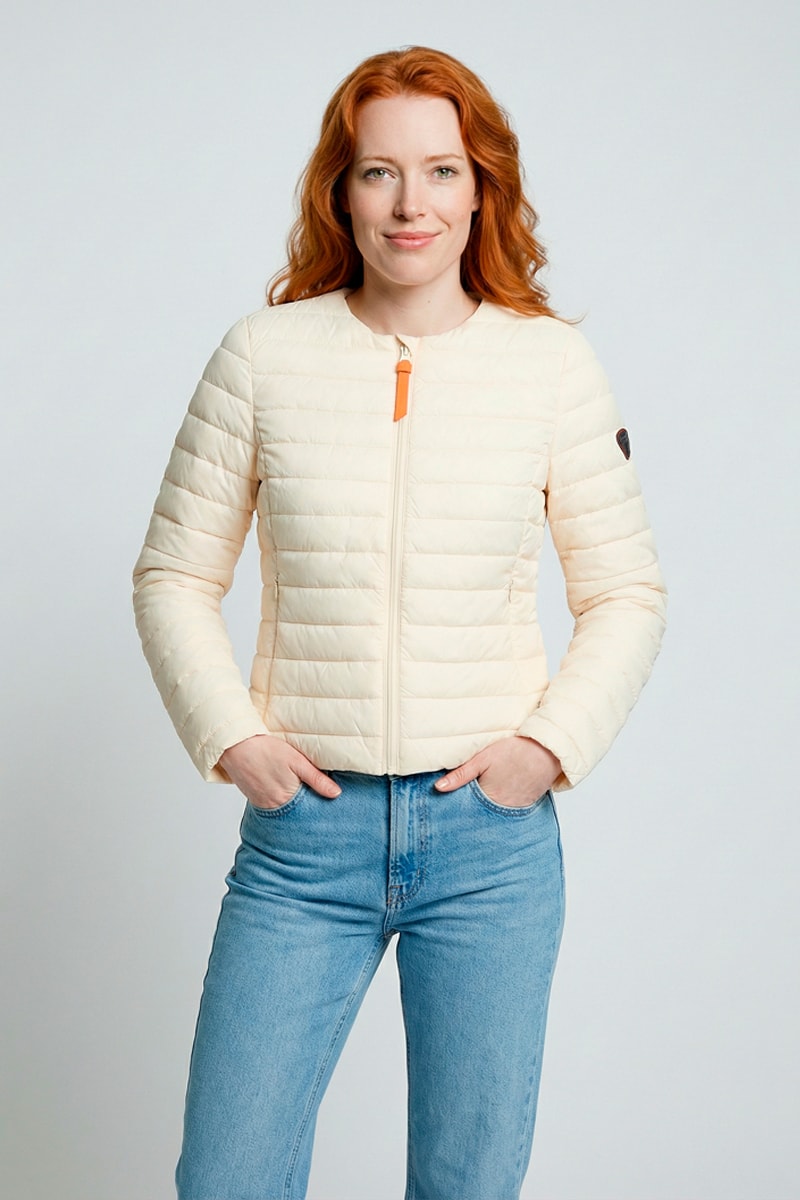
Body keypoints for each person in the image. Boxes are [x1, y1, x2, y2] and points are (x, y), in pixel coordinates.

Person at [133, 45, 666, 1200]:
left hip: (487, 846)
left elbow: (625, 592)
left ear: (480, 189)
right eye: (378, 172)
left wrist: (544, 749)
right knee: (226, 1177)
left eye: (439, 170)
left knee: (465, 1184)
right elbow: (172, 572)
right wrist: (234, 737)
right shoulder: (262, 358)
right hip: (305, 840)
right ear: (341, 191)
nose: (408, 203)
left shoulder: (549, 368)